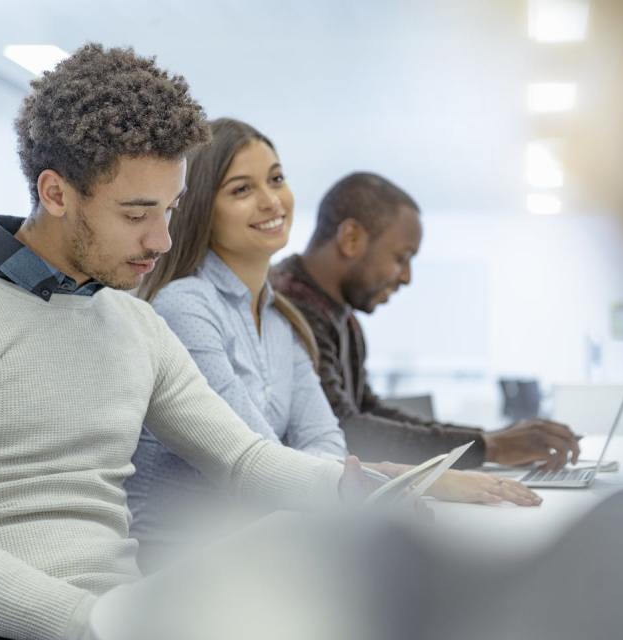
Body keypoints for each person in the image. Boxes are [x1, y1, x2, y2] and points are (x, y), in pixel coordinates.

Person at [0, 44, 363, 640]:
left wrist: (353, 491)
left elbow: (241, 458)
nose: (160, 240)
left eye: (171, 209)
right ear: (55, 194)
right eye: (136, 214)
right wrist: (97, 622)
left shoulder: (138, 325)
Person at [126, 118, 542, 552]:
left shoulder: (281, 321)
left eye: (276, 179)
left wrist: (371, 484)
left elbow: (324, 441)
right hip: (185, 556)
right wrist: (412, 482)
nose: (271, 201)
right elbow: (260, 461)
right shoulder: (185, 306)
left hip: (262, 541)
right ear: (202, 209)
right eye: (241, 190)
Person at [271, 173, 581, 469]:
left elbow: (366, 410)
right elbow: (344, 430)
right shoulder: (289, 307)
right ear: (351, 238)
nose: (406, 277)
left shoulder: (342, 317)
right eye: (401, 258)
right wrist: (489, 446)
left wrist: (490, 440)